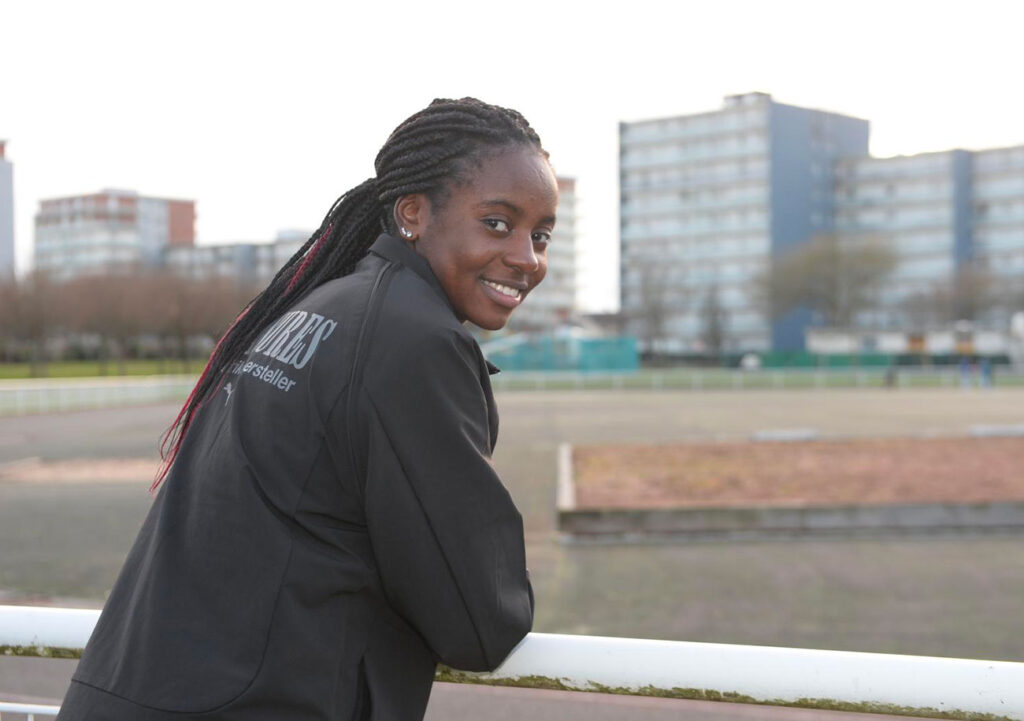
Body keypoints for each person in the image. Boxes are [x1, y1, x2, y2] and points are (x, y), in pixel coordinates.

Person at [56, 98, 557, 721]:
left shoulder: (317, 311)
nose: (527, 259)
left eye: (540, 235)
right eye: (497, 223)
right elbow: (480, 622)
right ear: (413, 213)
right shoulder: (411, 338)